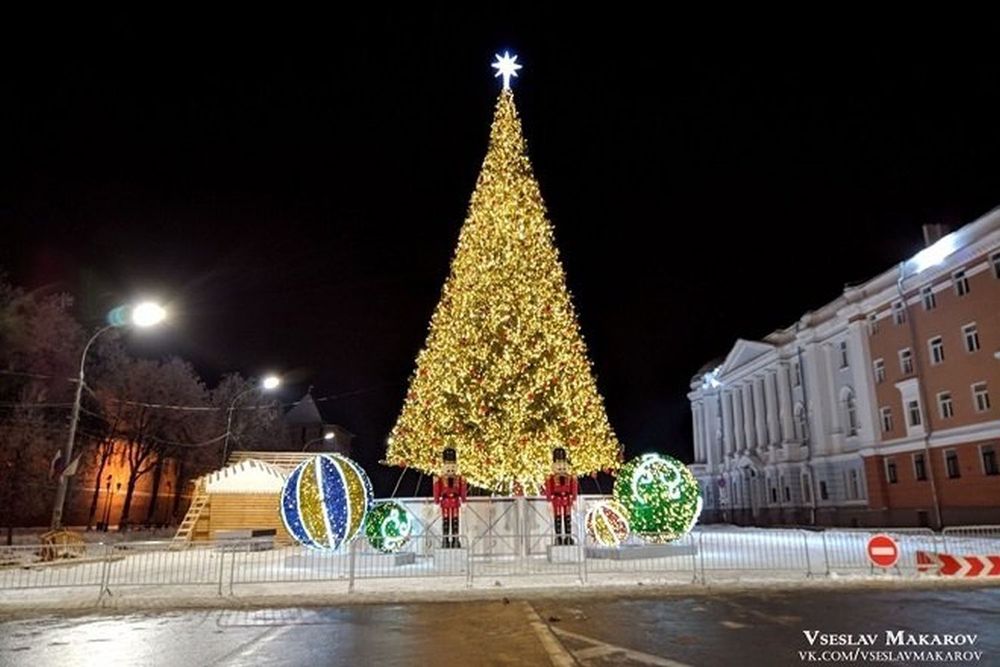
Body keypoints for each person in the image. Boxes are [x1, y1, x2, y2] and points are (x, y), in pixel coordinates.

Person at [433, 447, 467, 548]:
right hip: (445, 501)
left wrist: (464, 501)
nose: (450, 470)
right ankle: (445, 540)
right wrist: (436, 502)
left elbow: (463, 489)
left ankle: (456, 539)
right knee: (446, 521)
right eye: (448, 467)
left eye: (452, 467)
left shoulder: (459, 478)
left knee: (455, 520)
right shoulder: (439, 478)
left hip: (455, 501)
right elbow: (436, 489)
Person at [544, 447, 579, 545]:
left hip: (567, 498)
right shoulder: (550, 477)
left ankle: (568, 537)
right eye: (559, 468)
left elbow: (574, 488)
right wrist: (549, 501)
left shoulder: (571, 477)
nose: (562, 470)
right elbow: (548, 489)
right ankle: (558, 537)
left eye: (564, 468)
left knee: (568, 518)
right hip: (556, 499)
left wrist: (574, 499)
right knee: (558, 517)